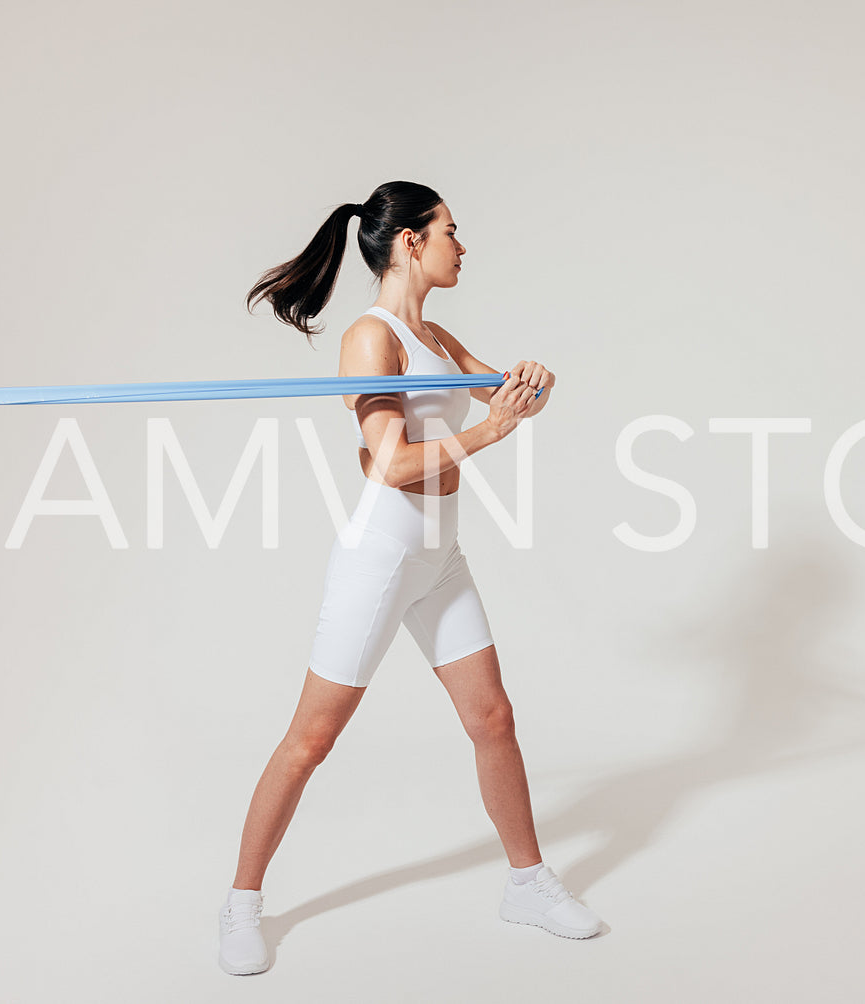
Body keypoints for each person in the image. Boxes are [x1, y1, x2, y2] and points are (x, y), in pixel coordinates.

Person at [218, 181, 603, 975]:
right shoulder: (372, 338)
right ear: (409, 243)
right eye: (450, 231)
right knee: (311, 741)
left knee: (491, 718)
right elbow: (390, 464)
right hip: (384, 553)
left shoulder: (435, 334)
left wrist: (530, 385)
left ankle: (526, 883)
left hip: (439, 554)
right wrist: (493, 429)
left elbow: (508, 392)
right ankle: (241, 904)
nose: (462, 245)